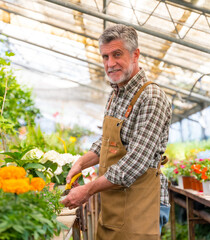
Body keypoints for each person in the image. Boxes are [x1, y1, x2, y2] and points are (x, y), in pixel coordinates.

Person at [61, 24, 172, 239]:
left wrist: (87, 189)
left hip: (140, 207)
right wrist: (81, 164)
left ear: (135, 54)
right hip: (115, 206)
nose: (110, 64)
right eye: (105, 57)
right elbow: (108, 141)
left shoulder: (151, 97)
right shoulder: (117, 93)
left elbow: (136, 162)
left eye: (117, 54)